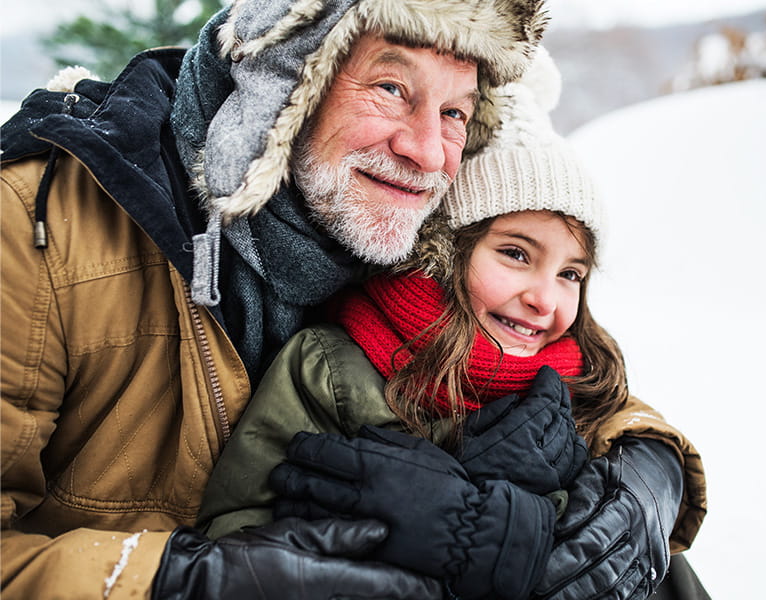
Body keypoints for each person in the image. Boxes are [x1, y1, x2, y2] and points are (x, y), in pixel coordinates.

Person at [1, 1, 705, 598]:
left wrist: (645, 466)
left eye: (456, 111)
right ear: (290, 83)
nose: (429, 152)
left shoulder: (401, 224)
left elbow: (537, 348)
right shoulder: (40, 230)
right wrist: (185, 580)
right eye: (392, 88)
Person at [196, 50, 707, 599]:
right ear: (445, 253)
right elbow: (239, 533)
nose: (544, 298)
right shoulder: (334, 369)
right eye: (515, 254)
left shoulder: (582, 383)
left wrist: (643, 478)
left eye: (570, 273)